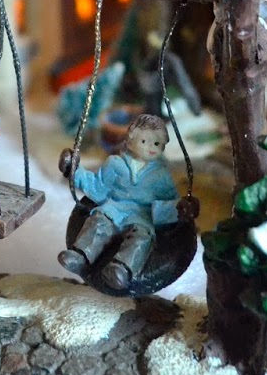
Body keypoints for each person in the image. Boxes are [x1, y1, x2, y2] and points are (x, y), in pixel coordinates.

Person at [59, 114, 180, 291]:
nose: (151, 148)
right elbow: (98, 188)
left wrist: (180, 208)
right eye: (144, 141)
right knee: (98, 223)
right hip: (114, 208)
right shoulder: (115, 164)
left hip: (142, 216)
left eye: (157, 143)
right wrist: (74, 171)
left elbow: (170, 201)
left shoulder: (162, 175)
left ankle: (122, 268)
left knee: (141, 238)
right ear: (130, 141)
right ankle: (81, 255)